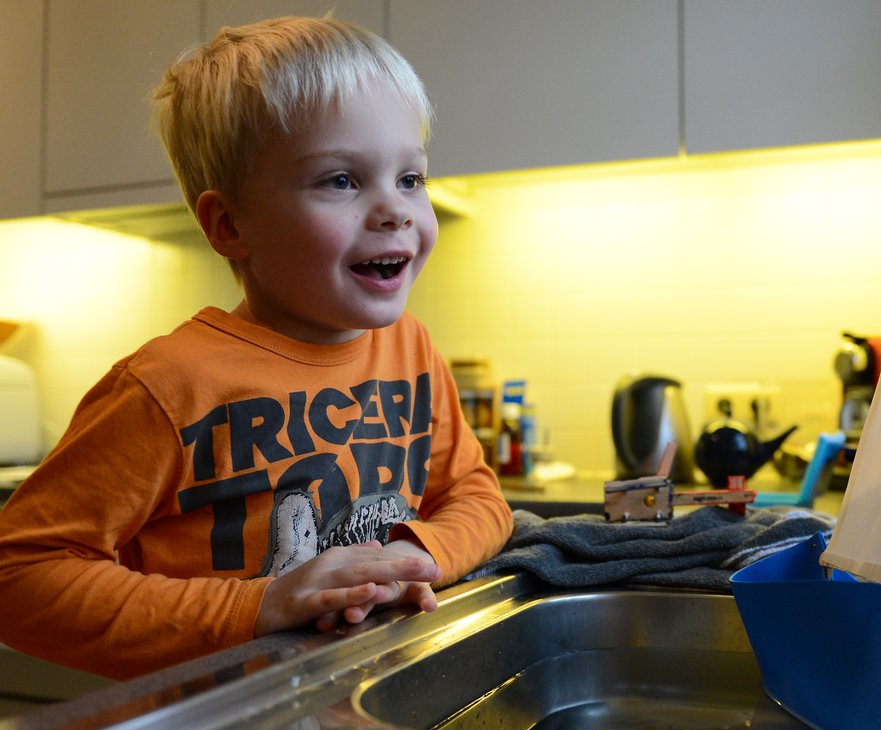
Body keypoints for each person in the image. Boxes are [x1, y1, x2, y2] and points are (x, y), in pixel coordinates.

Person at [0, 17, 513, 680]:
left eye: (410, 178)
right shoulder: (168, 387)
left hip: (370, 708)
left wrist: (414, 555)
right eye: (340, 181)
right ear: (229, 224)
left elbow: (477, 494)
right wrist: (260, 604)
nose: (396, 210)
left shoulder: (409, 348)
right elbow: (19, 577)